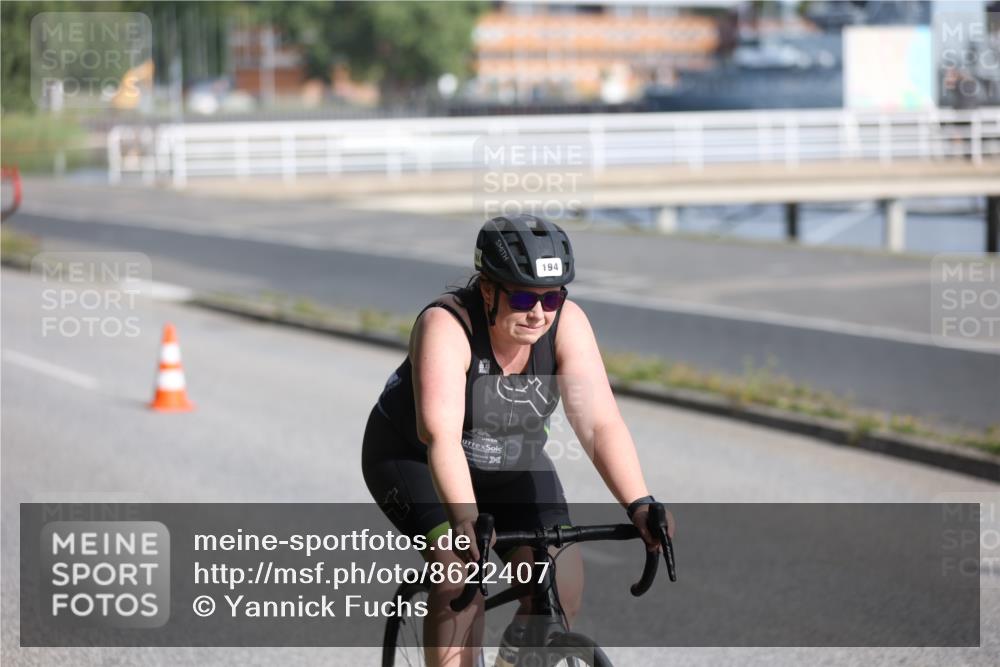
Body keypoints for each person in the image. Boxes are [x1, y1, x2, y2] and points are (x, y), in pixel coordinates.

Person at [362, 214, 670, 667]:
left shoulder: (566, 324)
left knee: (560, 582)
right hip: (417, 460)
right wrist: (465, 521)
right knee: (458, 572)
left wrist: (639, 503)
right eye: (524, 297)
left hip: (509, 461)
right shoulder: (446, 326)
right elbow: (441, 437)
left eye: (552, 298)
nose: (539, 313)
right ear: (488, 290)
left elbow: (599, 422)